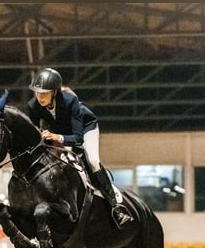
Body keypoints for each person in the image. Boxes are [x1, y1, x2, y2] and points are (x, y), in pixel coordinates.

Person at [25, 68, 132, 228]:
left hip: (85, 129)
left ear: (54, 92)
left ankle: (116, 208)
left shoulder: (70, 102)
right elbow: (34, 131)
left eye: (44, 93)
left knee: (93, 161)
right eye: (37, 93)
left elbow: (77, 138)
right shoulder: (33, 106)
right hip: (59, 131)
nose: (40, 97)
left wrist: (56, 137)